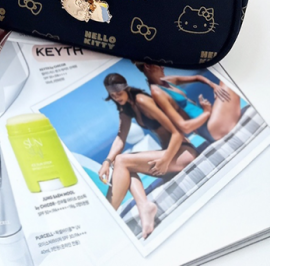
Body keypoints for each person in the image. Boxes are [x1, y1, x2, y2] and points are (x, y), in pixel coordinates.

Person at [98, 73, 200, 240]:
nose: (116, 98)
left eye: (118, 93)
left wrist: (165, 159)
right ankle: (144, 206)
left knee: (122, 160)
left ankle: (107, 216)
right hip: (169, 157)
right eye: (113, 96)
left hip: (182, 153)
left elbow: (177, 132)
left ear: (126, 88)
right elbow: (120, 138)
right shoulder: (126, 108)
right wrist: (106, 162)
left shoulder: (142, 101)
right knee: (121, 164)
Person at [134, 62, 243, 142]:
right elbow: (185, 127)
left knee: (223, 82)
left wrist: (213, 85)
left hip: (210, 121)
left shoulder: (168, 81)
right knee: (228, 80)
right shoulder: (157, 93)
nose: (163, 66)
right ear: (148, 66)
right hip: (210, 128)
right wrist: (206, 112)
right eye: (159, 64)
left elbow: (197, 77)